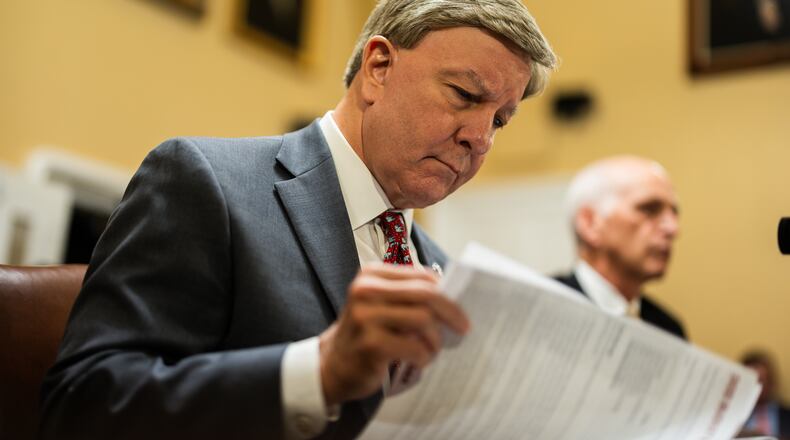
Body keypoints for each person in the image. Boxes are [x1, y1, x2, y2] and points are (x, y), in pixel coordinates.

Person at [39, 1, 558, 439]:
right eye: (465, 96)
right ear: (378, 69)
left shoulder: (441, 273)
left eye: (499, 120)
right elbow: (81, 405)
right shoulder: (206, 182)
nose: (481, 137)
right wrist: (319, 373)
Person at [554, 156, 687, 339]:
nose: (673, 229)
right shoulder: (540, 309)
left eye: (674, 213)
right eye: (649, 209)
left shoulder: (668, 329)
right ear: (590, 223)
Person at [740, 350, 790, 439]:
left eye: (761, 380)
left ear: (771, 382)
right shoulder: (733, 417)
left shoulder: (787, 415)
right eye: (751, 381)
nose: (756, 387)